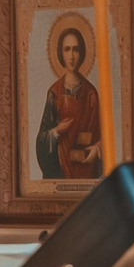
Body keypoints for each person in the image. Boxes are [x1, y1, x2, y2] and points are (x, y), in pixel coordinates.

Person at [35, 18, 104, 182]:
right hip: (60, 168)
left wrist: (98, 148)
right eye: (67, 50)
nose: (71, 56)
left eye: (76, 49)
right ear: (60, 53)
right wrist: (57, 130)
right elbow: (42, 137)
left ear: (82, 53)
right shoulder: (55, 93)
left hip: (87, 168)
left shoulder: (91, 93)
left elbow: (102, 133)